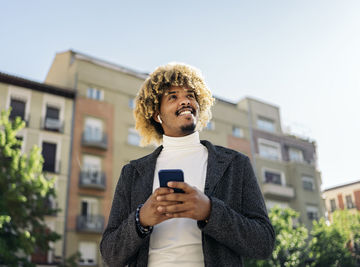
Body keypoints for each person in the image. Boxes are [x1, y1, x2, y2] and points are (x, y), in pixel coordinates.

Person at [100, 63, 275, 266]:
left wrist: (210, 212)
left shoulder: (235, 165)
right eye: (173, 97)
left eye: (191, 95)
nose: (185, 101)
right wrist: (141, 220)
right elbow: (110, 254)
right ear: (157, 114)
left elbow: (264, 242)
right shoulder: (132, 173)